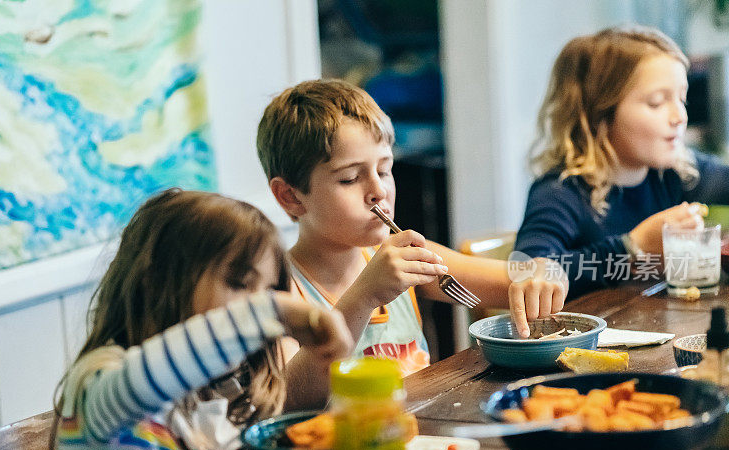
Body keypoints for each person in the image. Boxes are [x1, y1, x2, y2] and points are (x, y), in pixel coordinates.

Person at [256, 79, 568, 406]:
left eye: (385, 169)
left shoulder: (409, 259)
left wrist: (545, 273)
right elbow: (291, 396)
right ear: (290, 196)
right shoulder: (278, 292)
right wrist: (364, 296)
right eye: (349, 177)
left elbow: (519, 279)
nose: (379, 190)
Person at [52, 189, 352, 450]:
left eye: (268, 291)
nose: (258, 307)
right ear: (160, 281)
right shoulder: (97, 379)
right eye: (241, 284)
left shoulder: (224, 390)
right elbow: (139, 386)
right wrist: (274, 309)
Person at [515, 25, 729, 298]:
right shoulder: (562, 192)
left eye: (681, 99)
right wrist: (632, 247)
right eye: (656, 102)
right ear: (600, 114)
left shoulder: (673, 172)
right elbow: (527, 272)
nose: (680, 116)